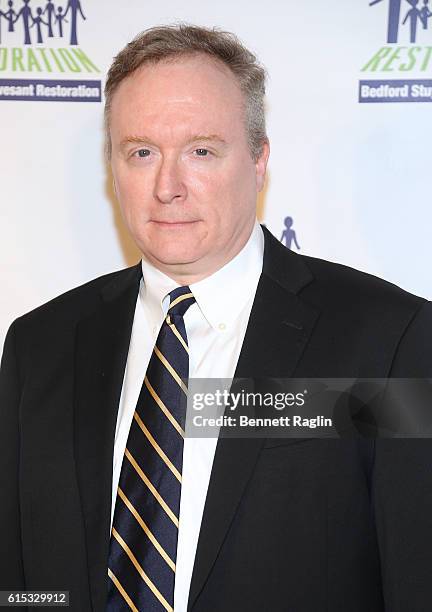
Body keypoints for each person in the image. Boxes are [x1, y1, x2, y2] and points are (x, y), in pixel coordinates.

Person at [1, 24, 432, 612]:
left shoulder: (387, 340)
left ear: (259, 162)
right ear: (113, 168)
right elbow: (22, 583)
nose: (167, 187)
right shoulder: (40, 345)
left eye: (201, 151)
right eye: (141, 152)